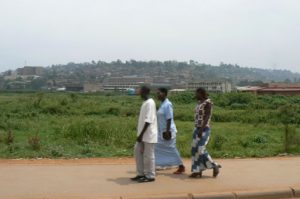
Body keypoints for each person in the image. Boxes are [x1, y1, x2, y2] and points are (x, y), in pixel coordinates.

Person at [190, 87, 221, 178]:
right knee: (194, 150)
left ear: (201, 93)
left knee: (201, 149)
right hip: (197, 129)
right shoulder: (199, 103)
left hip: (204, 129)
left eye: (197, 93)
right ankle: (197, 171)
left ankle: (214, 165)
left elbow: (207, 116)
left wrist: (201, 129)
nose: (195, 95)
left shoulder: (208, 103)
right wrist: (197, 129)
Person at [155, 88, 185, 174]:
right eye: (157, 93)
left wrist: (168, 131)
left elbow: (169, 118)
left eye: (159, 93)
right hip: (161, 132)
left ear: (164, 93)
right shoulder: (162, 104)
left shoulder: (168, 104)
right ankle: (159, 164)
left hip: (168, 132)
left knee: (171, 149)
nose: (157, 95)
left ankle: (181, 166)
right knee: (157, 147)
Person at [131, 86, 158, 183]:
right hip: (142, 135)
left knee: (148, 156)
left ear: (144, 91)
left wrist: (141, 135)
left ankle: (150, 176)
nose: (138, 91)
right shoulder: (145, 103)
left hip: (148, 135)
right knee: (138, 153)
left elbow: (148, 121)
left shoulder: (150, 103)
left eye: (139, 90)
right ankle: (140, 174)